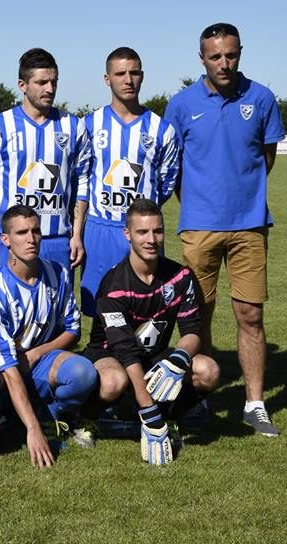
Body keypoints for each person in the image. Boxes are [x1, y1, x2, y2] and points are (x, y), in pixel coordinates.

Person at [164, 22, 285, 437]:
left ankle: (255, 403)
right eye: (215, 56)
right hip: (199, 227)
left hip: (249, 225)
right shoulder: (181, 105)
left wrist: (240, 196)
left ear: (240, 52)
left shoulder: (262, 98)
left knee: (250, 313)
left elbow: (266, 157)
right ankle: (199, 399)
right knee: (198, 317)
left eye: (231, 54)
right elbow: (174, 166)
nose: (224, 63)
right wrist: (199, 204)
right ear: (202, 59)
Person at [83, 198, 220, 464]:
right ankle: (86, 417)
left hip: (153, 356)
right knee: (114, 382)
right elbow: (125, 351)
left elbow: (193, 330)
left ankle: (172, 415)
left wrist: (180, 358)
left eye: (157, 231)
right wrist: (149, 414)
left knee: (208, 370)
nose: (151, 239)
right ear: (128, 234)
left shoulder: (180, 276)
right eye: (142, 232)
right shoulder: (113, 285)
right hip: (110, 356)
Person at [0, 205, 99, 468]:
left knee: (84, 374)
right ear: (5, 240)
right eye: (22, 232)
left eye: (36, 231)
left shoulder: (58, 274)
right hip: (2, 365)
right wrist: (32, 429)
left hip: (42, 358)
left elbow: (73, 329)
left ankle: (52, 414)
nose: (31, 238)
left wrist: (38, 353)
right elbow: (8, 364)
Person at [80, 47, 179, 315]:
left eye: (134, 73)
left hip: (142, 232)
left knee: (147, 306)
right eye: (120, 73)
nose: (128, 79)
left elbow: (167, 181)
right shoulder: (89, 125)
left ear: (142, 76)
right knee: (100, 308)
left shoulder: (162, 129)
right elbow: (81, 176)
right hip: (100, 230)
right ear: (107, 79)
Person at [0, 48, 91, 273]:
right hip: (11, 242)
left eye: (53, 82)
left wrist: (77, 234)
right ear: (23, 85)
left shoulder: (73, 126)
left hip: (57, 240)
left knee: (58, 307)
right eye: (41, 82)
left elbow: (82, 183)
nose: (49, 89)